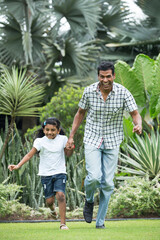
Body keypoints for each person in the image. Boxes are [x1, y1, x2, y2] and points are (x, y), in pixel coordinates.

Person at [67, 61, 142, 228]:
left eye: (109, 76)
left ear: (114, 76)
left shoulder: (123, 93)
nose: (105, 80)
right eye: (102, 76)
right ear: (98, 76)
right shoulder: (89, 92)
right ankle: (88, 200)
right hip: (92, 138)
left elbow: (135, 114)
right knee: (94, 177)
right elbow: (80, 114)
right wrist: (71, 136)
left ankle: (100, 223)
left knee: (107, 183)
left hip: (113, 140)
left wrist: (138, 124)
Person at [8, 117, 74, 230]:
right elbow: (29, 155)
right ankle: (52, 210)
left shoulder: (63, 139)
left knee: (61, 195)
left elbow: (68, 154)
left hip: (60, 172)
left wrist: (71, 148)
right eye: (47, 129)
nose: (50, 132)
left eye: (53, 130)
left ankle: (63, 224)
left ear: (58, 131)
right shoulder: (39, 141)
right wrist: (18, 165)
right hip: (45, 174)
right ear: (43, 130)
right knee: (49, 201)